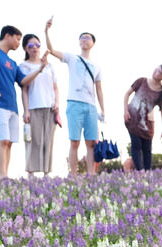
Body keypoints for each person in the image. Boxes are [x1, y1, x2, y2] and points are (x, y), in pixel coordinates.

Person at [0, 25, 43, 178]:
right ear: (7, 35)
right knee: (3, 139)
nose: (18, 43)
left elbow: (24, 81)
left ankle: (5, 174)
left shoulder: (13, 63)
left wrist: (40, 69)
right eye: (17, 39)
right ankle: (3, 176)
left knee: (10, 143)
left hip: (13, 107)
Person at [44, 18, 105, 176]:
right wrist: (46, 31)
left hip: (91, 107)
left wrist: (103, 110)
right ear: (79, 42)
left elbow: (99, 89)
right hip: (74, 103)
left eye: (88, 38)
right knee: (75, 141)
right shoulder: (72, 58)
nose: (84, 40)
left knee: (91, 143)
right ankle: (73, 174)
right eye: (82, 38)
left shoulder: (97, 66)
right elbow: (51, 49)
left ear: (93, 43)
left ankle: (91, 174)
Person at [19, 34, 59, 177]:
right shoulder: (23, 66)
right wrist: (26, 110)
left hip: (49, 108)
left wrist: (57, 103)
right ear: (25, 48)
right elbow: (24, 88)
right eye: (31, 45)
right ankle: (31, 173)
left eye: (37, 45)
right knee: (32, 140)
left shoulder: (50, 66)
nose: (35, 48)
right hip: (33, 107)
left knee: (48, 140)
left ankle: (46, 173)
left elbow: (55, 87)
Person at [123, 64, 162, 171]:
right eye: (156, 69)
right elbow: (126, 94)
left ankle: (148, 174)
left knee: (147, 149)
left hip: (147, 124)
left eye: (159, 72)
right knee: (136, 146)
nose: (155, 72)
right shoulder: (141, 81)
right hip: (132, 120)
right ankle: (140, 173)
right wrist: (125, 111)